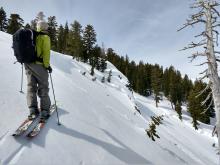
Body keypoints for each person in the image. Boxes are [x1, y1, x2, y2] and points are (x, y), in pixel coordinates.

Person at [24, 19, 52, 122]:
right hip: (39, 66)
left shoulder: (31, 36)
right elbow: (46, 54)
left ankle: (32, 109)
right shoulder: (45, 37)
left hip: (27, 64)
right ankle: (44, 111)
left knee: (31, 86)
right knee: (43, 87)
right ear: (45, 28)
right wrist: (47, 66)